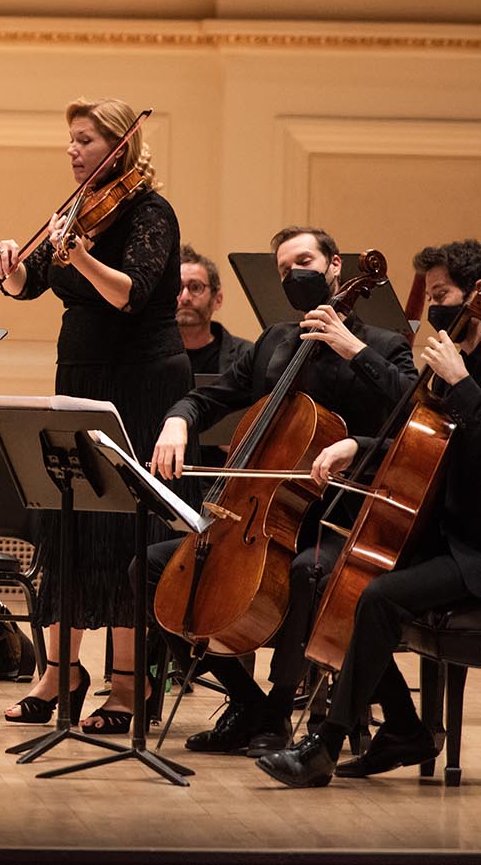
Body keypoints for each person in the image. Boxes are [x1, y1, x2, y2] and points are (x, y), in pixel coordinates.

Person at [145, 225, 416, 756]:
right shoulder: (275, 340)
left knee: (305, 572)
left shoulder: (384, 344)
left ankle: (279, 704)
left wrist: (352, 348)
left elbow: (414, 413)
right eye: (285, 268)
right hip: (263, 515)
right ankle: (248, 703)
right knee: (151, 567)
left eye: (306, 261)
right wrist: (178, 419)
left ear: (337, 266)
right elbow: (211, 398)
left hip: (344, 516)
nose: (296, 275)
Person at [0, 96, 186, 732]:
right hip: (79, 377)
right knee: (67, 519)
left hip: (140, 381)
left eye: (84, 141)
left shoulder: (152, 212)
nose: (71, 151)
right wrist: (13, 267)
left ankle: (127, 685)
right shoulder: (74, 211)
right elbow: (30, 285)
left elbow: (131, 293)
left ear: (119, 148)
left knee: (125, 529)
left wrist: (79, 257)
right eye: (70, 140)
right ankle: (60, 675)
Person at [258, 238, 481, 786]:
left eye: (442, 293)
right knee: (339, 578)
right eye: (430, 295)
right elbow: (424, 438)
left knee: (378, 596)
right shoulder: (462, 358)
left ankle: (324, 747)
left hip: (476, 548)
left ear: (475, 295)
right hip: (448, 535)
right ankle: (403, 727)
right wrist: (360, 444)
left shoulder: (465, 370)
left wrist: (465, 386)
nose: (434, 307)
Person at [178, 244, 254, 379]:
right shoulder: (148, 354)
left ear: (217, 300)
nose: (185, 298)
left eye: (195, 287)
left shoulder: (246, 355)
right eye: (177, 288)